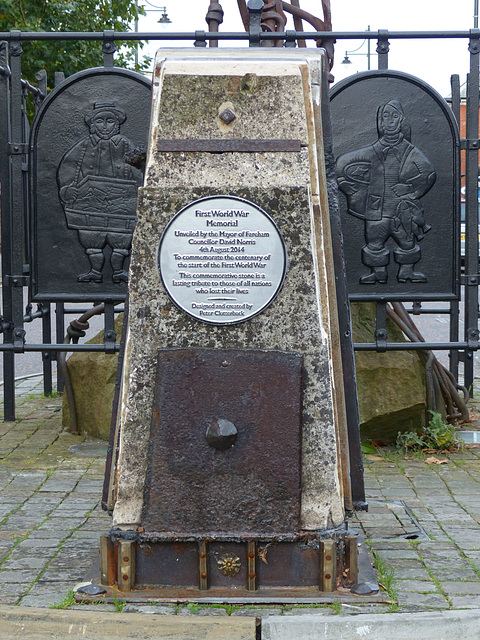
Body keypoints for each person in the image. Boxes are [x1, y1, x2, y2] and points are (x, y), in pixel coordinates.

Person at [336, 100, 436, 284]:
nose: (390, 120)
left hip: (401, 209)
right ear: (380, 122)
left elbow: (428, 174)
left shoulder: (410, 152)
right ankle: (378, 274)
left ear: (401, 121)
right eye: (386, 116)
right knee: (374, 242)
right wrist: (346, 185)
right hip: (376, 209)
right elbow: (341, 164)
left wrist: (409, 189)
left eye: (394, 116)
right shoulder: (371, 151)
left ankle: (406, 272)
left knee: (407, 242)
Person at [57, 102, 143, 283]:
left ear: (117, 124)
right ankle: (95, 272)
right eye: (100, 121)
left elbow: (138, 172)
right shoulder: (83, 147)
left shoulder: (125, 145)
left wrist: (138, 168)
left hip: (120, 203)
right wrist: (68, 190)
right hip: (90, 202)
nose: (105, 126)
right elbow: (67, 168)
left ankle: (118, 271)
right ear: (92, 124)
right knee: (92, 238)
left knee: (120, 238)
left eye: (110, 121)